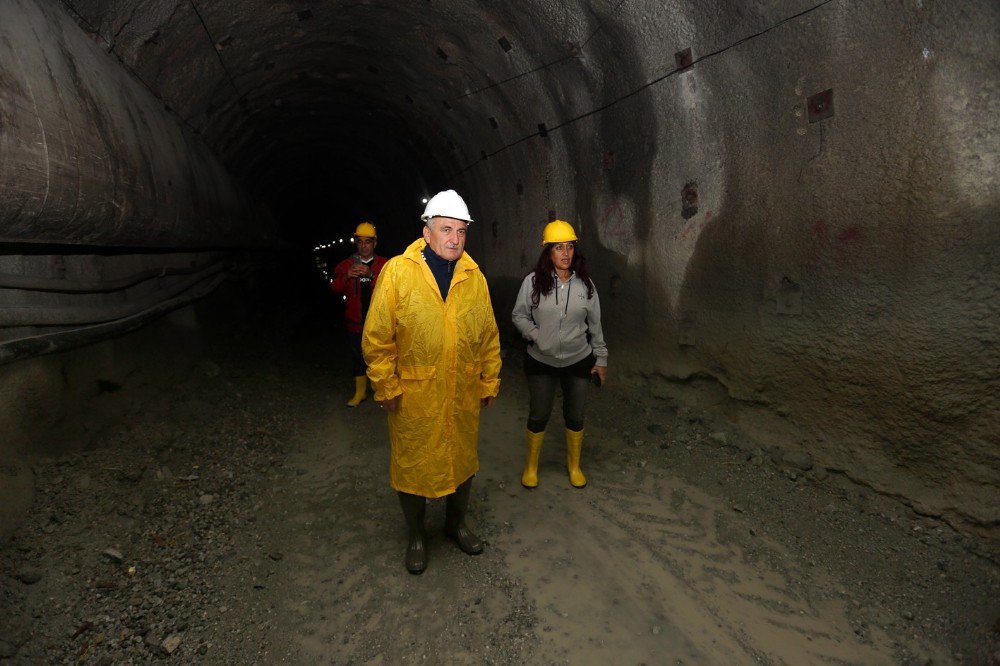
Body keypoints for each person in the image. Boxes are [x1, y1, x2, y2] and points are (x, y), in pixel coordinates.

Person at [362, 190, 502, 575]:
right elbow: (376, 337)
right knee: (413, 466)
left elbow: (488, 335)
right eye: (446, 229)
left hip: (461, 392)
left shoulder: (474, 277)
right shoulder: (398, 273)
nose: (455, 238)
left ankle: (456, 525)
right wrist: (385, 386)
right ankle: (416, 535)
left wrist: (489, 380)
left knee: (462, 460)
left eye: (461, 230)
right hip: (415, 395)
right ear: (427, 232)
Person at [511, 219, 608, 489]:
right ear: (548, 253)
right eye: (558, 248)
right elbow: (519, 315)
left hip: (578, 359)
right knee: (539, 414)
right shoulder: (532, 283)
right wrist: (536, 335)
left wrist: (601, 359)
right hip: (541, 360)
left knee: (575, 415)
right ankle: (531, 467)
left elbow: (596, 325)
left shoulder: (586, 286)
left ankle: (574, 466)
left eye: (569, 247)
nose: (565, 253)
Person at [331, 222, 388, 407]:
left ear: (375, 243)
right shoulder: (346, 264)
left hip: (379, 322)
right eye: (360, 242)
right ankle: (360, 392)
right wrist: (346, 276)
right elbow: (335, 288)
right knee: (358, 356)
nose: (364, 246)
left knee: (381, 355)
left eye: (368, 242)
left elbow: (392, 290)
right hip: (356, 321)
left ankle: (382, 390)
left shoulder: (384, 265)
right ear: (356, 243)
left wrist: (371, 275)